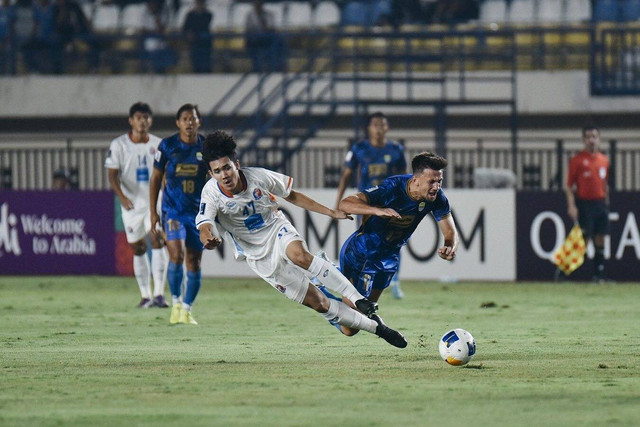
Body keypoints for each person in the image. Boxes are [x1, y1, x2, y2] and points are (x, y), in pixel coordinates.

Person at [196, 130, 407, 348]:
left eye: (227, 167)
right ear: (212, 174)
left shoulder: (258, 177)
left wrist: (330, 212)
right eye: (218, 171)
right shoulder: (210, 193)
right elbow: (204, 222)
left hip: (276, 228)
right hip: (258, 256)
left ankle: (357, 299)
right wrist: (208, 237)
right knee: (322, 305)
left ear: (236, 164)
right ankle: (379, 329)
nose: (224, 175)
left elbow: (293, 195)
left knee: (299, 255)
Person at [329, 151, 458, 337]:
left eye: (440, 181)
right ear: (416, 180)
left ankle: (328, 277)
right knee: (350, 328)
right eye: (432, 181)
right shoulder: (392, 188)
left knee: (363, 317)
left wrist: (450, 246)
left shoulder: (437, 197)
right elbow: (345, 204)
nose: (436, 187)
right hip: (362, 254)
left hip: (389, 259)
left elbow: (450, 232)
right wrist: (376, 211)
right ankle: (322, 291)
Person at [334, 112, 407, 299]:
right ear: (369, 128)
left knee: (394, 242)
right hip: (367, 205)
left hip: (391, 204)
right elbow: (346, 175)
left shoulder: (397, 150)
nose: (379, 128)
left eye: (382, 124)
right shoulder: (359, 148)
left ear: (387, 127)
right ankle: (358, 277)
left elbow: (404, 178)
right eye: (375, 124)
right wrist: (338, 202)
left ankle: (395, 282)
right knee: (368, 241)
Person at [104, 102, 168, 309]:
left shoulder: (159, 144)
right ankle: (145, 295)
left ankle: (159, 294)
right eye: (138, 117)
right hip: (131, 205)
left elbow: (164, 175)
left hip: (154, 203)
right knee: (138, 247)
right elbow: (112, 175)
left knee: (157, 241)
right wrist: (121, 197)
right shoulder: (119, 145)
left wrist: (165, 197)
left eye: (146, 117)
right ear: (131, 120)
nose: (142, 121)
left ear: (151, 120)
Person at [150, 104, 207, 325]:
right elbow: (155, 179)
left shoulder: (206, 146)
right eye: (184, 119)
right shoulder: (167, 146)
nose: (189, 122)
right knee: (177, 256)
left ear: (199, 121)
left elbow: (214, 177)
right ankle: (174, 303)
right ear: (178, 123)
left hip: (197, 215)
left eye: (192, 118)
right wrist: (153, 212)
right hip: (172, 211)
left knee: (194, 262)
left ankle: (187, 309)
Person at [565, 125, 611, 283]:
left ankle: (598, 274)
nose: (592, 140)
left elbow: (605, 184)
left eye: (594, 136)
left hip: (600, 203)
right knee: (583, 238)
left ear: (599, 139)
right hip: (585, 203)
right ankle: (564, 271)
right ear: (584, 140)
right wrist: (571, 206)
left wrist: (606, 203)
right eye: (589, 137)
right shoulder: (577, 160)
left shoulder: (604, 160)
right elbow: (569, 186)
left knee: (600, 237)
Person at [244, 0, 285, 72]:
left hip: (267, 39)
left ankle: (276, 67)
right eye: (256, 3)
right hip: (255, 40)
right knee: (260, 45)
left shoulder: (269, 14)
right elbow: (249, 29)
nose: (258, 5)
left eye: (260, 3)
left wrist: (265, 27)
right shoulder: (250, 16)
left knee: (278, 40)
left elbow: (272, 27)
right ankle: (260, 68)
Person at [182, 0, 212, 73]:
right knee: (196, 63)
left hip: (205, 43)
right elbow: (185, 28)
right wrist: (189, 33)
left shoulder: (207, 15)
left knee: (205, 63)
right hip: (195, 44)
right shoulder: (190, 15)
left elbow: (204, 26)